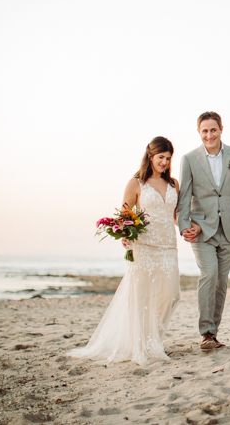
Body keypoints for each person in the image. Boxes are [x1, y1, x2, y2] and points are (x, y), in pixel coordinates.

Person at [69, 137, 181, 365]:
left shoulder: (174, 184)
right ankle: (144, 345)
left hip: (168, 248)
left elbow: (176, 216)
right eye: (161, 157)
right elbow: (125, 214)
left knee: (170, 295)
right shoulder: (136, 183)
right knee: (142, 298)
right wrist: (125, 235)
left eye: (168, 159)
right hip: (144, 248)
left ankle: (154, 340)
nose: (165, 162)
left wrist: (190, 227)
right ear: (150, 156)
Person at [177, 111, 230, 350]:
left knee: (221, 281)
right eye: (204, 131)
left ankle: (214, 333)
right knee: (209, 274)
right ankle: (206, 333)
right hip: (201, 229)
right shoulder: (189, 159)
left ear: (221, 129)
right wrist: (184, 226)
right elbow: (183, 198)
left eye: (213, 130)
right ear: (199, 132)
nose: (209, 135)